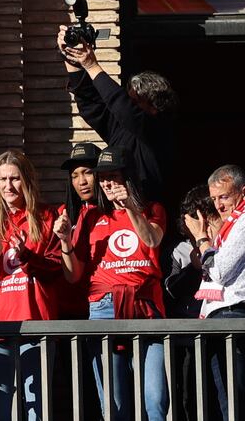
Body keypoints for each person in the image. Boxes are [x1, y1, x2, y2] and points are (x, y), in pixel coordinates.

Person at [59, 147, 168, 420]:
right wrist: (64, 241)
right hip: (104, 308)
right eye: (103, 178)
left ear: (127, 177)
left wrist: (130, 206)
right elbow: (73, 275)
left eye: (113, 177)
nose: (107, 183)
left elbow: (152, 240)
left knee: (155, 399)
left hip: (146, 307)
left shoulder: (152, 208)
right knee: (114, 403)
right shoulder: (91, 215)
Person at [0, 150, 62, 421]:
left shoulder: (47, 216)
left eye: (15, 179)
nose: (8, 186)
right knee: (0, 405)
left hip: (37, 323)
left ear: (27, 180)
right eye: (3, 179)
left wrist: (27, 257)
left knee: (37, 405)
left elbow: (57, 269)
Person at [58, 28, 176, 203]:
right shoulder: (121, 131)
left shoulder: (158, 130)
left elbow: (121, 106)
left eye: (135, 103)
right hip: (118, 216)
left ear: (154, 108)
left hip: (151, 216)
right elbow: (91, 105)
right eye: (129, 100)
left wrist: (92, 65)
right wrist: (70, 56)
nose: (129, 106)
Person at [187, 165, 245, 419]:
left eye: (225, 196)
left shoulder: (243, 221)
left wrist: (202, 239)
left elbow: (219, 271)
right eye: (214, 199)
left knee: (233, 400)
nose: (219, 205)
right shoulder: (230, 224)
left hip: (233, 315)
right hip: (219, 315)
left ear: (242, 192)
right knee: (223, 399)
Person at [165, 185, 221, 421]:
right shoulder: (179, 249)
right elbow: (169, 291)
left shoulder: (224, 241)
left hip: (220, 332)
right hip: (188, 337)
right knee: (190, 396)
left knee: (222, 395)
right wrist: (193, 269)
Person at [58, 142, 101, 320]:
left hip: (102, 307)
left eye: (88, 173)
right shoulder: (63, 214)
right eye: (74, 175)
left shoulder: (115, 212)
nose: (81, 182)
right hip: (67, 311)